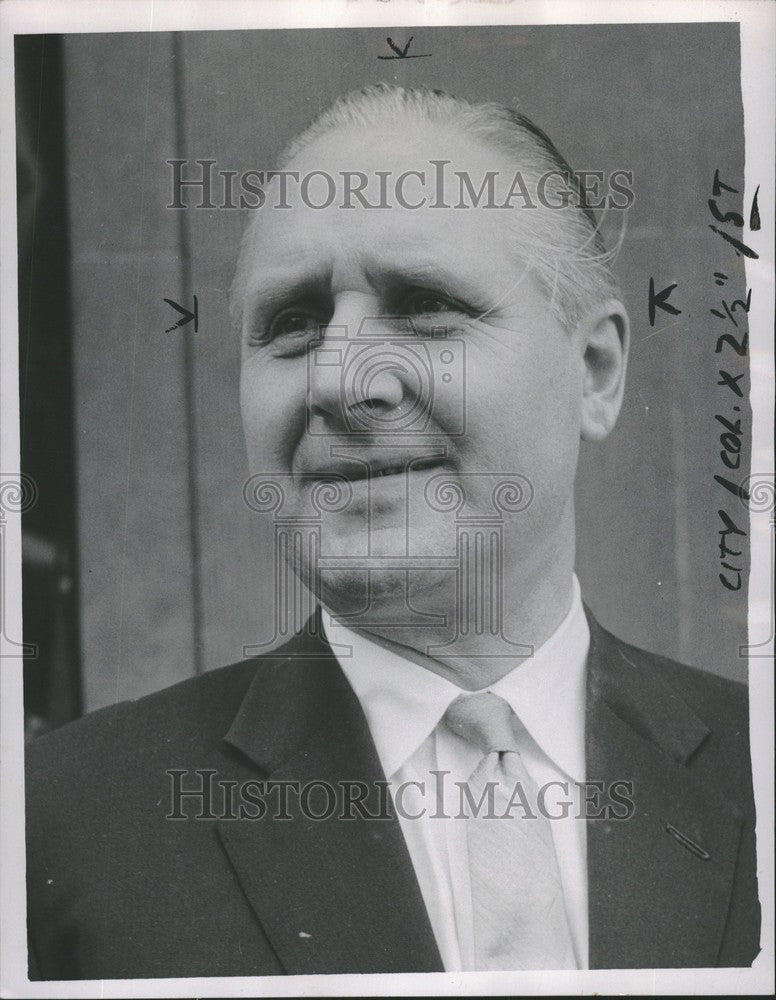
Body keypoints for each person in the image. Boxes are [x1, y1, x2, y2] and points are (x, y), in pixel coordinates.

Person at [26, 84, 760, 978]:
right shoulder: (56, 828)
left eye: (423, 308)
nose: (341, 379)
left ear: (596, 372)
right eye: (292, 325)